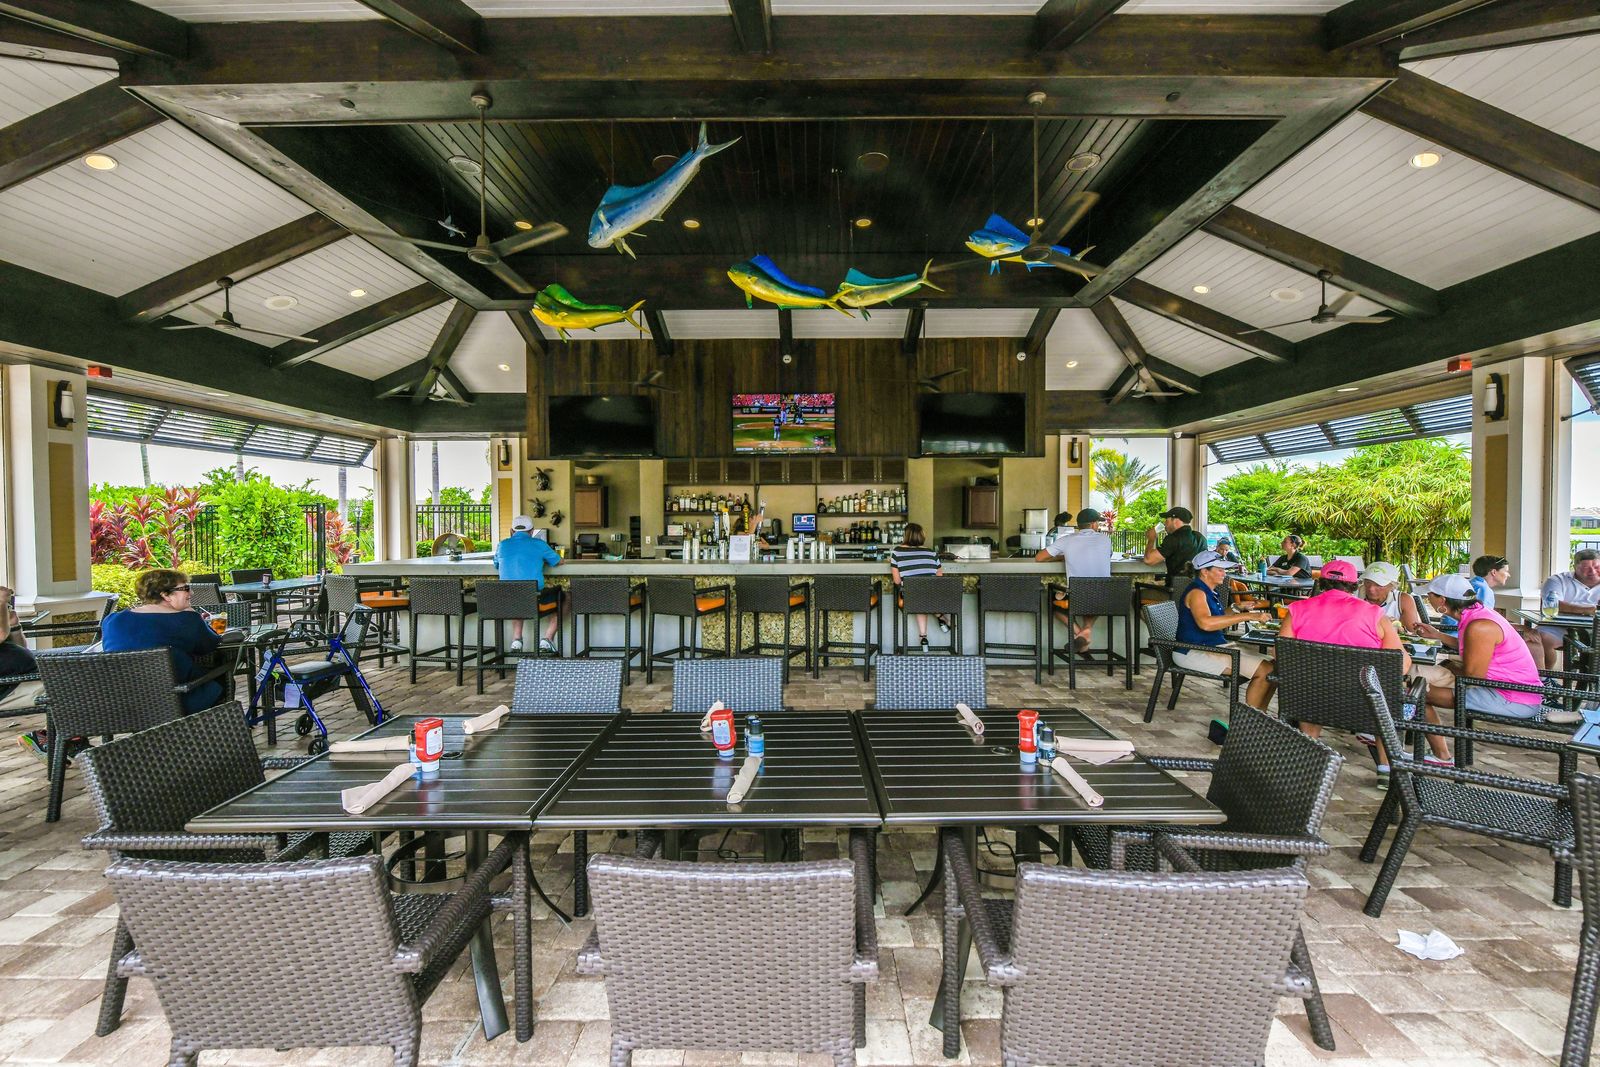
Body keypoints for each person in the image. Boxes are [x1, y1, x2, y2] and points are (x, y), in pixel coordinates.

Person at [1246, 560, 1412, 784]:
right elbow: (1400, 664)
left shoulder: (1298, 610)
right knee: (1387, 692)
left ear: (1321, 582)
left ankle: (1307, 757)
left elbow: (1281, 654)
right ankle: (1386, 768)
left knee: (1310, 683)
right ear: (1354, 585)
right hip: (1365, 705)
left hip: (1309, 701)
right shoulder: (1374, 614)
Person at [1421, 574, 1546, 764]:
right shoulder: (1477, 614)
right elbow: (1472, 647)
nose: (1427, 598)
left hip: (1512, 697)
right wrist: (1437, 635)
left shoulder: (1479, 626)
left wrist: (1448, 668)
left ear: (1442, 600)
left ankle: (1442, 756)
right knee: (1423, 682)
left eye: (1430, 595)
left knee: (1416, 693)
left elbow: (1473, 677)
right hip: (1509, 690)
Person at [101, 569, 225, 714]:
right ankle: (220, 724)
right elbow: (210, 645)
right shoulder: (187, 619)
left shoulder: (112, 620)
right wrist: (196, 618)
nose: (191, 593)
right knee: (222, 675)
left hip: (120, 703)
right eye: (186, 588)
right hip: (176, 699)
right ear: (165, 595)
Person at [1172, 550, 1273, 714]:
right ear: (1204, 571)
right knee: (1265, 670)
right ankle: (1250, 721)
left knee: (1275, 666)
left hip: (1210, 647)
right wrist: (1249, 616)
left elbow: (1216, 618)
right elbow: (1206, 623)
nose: (1224, 574)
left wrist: (1236, 608)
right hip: (1193, 651)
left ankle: (1261, 716)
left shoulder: (1207, 590)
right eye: (1219, 569)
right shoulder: (1197, 593)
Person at [1037, 508, 1111, 653]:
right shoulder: (1105, 539)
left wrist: (1063, 556)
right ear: (1093, 524)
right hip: (1105, 598)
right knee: (1092, 597)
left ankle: (1079, 633)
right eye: (1098, 523)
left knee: (1053, 600)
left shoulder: (1067, 540)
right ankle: (1086, 631)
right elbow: (1106, 556)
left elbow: (1039, 558)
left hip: (1078, 597)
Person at [494, 515, 563, 654]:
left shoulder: (502, 545)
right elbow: (559, 561)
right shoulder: (539, 544)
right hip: (534, 602)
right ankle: (547, 639)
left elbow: (496, 565)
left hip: (507, 602)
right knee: (565, 597)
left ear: (511, 531)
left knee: (516, 593)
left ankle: (517, 640)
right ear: (532, 531)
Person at [1528, 548, 1600, 669]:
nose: (1592, 571)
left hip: (1596, 628)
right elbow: (1553, 604)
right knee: (1540, 638)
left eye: (1597, 567)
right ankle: (1545, 676)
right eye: (1585, 567)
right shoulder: (1557, 581)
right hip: (1560, 626)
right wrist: (1588, 609)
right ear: (1575, 567)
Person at [890, 522, 946, 650]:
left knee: (917, 594)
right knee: (924, 593)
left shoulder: (897, 552)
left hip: (912, 597)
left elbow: (897, 581)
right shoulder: (931, 552)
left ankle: (923, 636)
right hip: (933, 597)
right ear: (922, 536)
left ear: (905, 536)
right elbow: (940, 578)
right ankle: (940, 617)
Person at [1142, 506, 1208, 588]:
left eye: (1167, 520)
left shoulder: (1173, 538)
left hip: (1176, 590)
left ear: (1175, 521)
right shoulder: (1201, 538)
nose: (1165, 524)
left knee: (1140, 591)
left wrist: (1151, 539)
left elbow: (1148, 560)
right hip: (1199, 589)